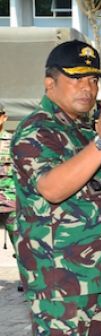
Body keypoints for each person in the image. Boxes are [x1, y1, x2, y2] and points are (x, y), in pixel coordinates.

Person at [11, 40, 101, 336]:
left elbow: (100, 205)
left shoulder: (77, 132)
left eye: (93, 80)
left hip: (90, 276)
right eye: (77, 78)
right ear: (49, 83)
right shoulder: (37, 130)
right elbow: (52, 189)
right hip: (58, 280)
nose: (88, 88)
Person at [0, 103, 20, 292]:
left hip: (10, 196)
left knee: (19, 236)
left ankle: (25, 275)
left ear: (3, 118)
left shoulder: (12, 142)